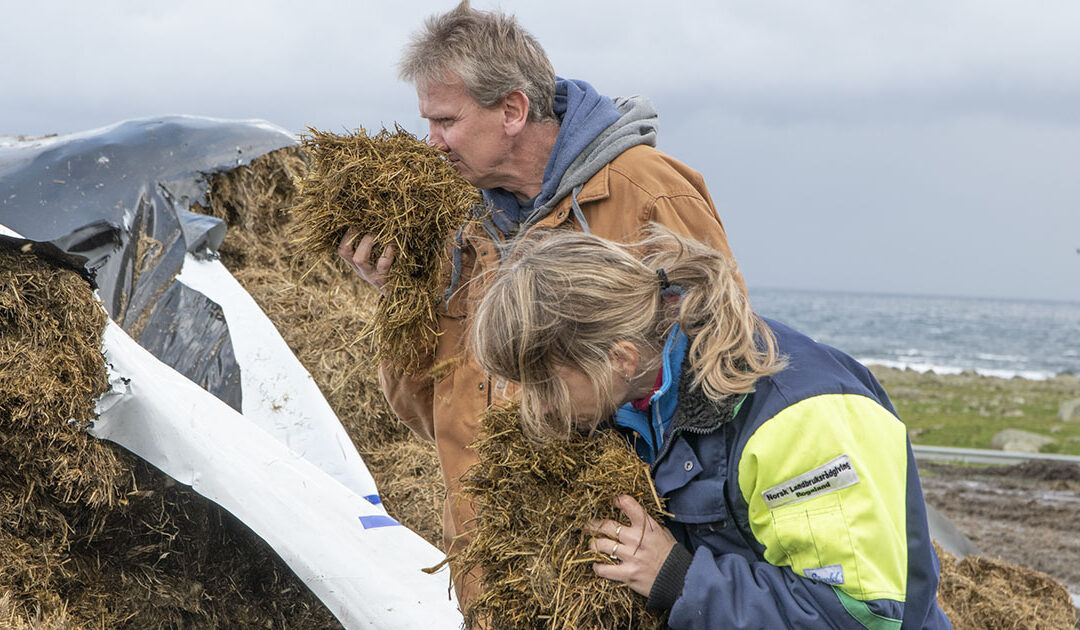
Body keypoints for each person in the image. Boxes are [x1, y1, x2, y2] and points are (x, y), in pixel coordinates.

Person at [337, 1, 743, 605]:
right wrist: (401, 298)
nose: (431, 143)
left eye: (445, 121)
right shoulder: (454, 221)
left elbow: (723, 380)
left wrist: (678, 569)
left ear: (512, 110)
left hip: (602, 565)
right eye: (428, 122)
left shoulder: (647, 193)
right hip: (491, 564)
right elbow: (431, 415)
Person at [468, 228, 953, 629]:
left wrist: (677, 578)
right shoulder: (630, 401)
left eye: (545, 385)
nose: (535, 408)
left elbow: (863, 614)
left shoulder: (800, 420)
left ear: (620, 358)